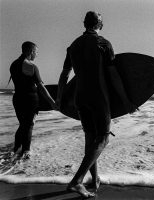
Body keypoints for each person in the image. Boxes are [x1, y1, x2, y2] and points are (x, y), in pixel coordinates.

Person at [56, 11, 137, 198]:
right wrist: (126, 101)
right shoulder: (103, 44)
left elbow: (64, 75)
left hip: (80, 98)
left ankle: (95, 178)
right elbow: (113, 75)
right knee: (103, 139)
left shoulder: (73, 46)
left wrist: (59, 99)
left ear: (84, 24)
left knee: (90, 139)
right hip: (99, 97)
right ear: (100, 24)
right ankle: (76, 181)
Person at [9, 41, 56, 159]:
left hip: (18, 98)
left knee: (23, 125)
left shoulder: (13, 64)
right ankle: (26, 151)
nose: (37, 55)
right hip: (31, 100)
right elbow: (41, 87)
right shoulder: (31, 66)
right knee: (29, 125)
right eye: (36, 52)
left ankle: (15, 149)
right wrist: (52, 102)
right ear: (31, 52)